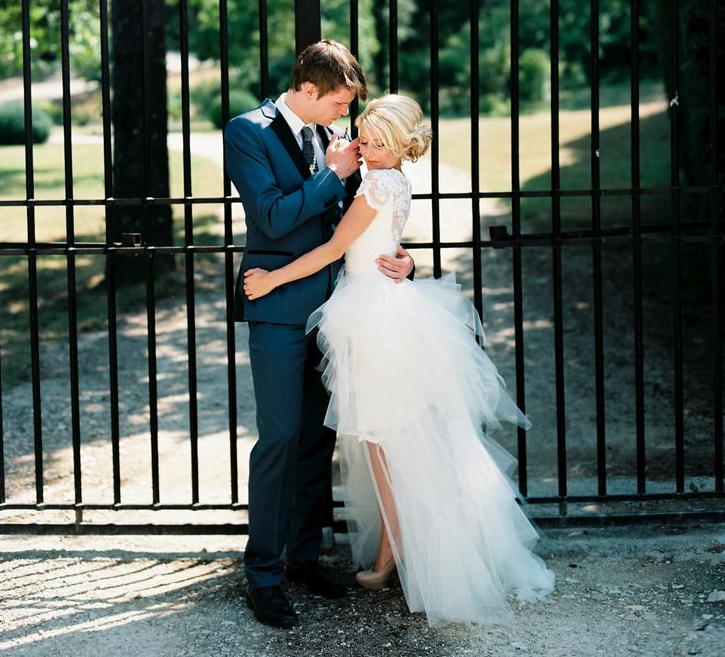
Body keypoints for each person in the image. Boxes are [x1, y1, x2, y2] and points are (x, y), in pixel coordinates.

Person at [243, 93, 556, 627]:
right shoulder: (393, 180)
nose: (364, 146)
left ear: (400, 145)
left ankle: (400, 551)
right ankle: (394, 548)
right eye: (363, 136)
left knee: (387, 443)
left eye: (376, 141)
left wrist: (271, 278)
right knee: (395, 439)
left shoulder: (374, 183)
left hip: (372, 317)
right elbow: (383, 241)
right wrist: (404, 259)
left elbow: (332, 250)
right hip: (386, 307)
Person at [225, 41, 414, 628]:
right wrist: (332, 177)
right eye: (337, 102)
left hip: (338, 310)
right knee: (279, 437)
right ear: (307, 88)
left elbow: (357, 227)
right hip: (278, 308)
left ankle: (305, 557)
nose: (343, 115)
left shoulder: (324, 138)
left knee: (314, 440)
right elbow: (275, 215)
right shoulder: (247, 132)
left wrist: (401, 262)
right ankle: (263, 575)